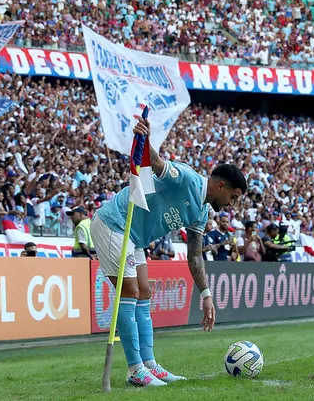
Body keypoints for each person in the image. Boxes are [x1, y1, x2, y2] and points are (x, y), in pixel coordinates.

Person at [90, 116, 246, 387]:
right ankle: (135, 370)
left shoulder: (202, 211)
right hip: (114, 223)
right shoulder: (187, 180)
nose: (231, 204)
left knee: (144, 292)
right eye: (232, 197)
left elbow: (195, 255)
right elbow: (155, 161)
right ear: (220, 186)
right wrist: (144, 136)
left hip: (134, 237)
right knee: (130, 292)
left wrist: (206, 295)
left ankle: (149, 364)